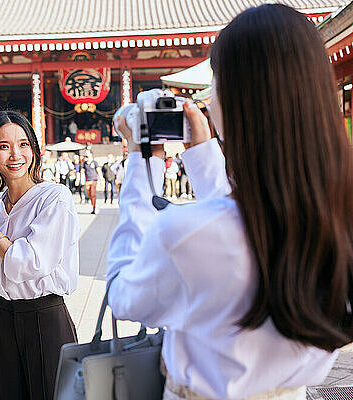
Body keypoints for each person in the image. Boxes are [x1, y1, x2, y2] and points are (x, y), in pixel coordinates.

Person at [107, 4, 353, 400]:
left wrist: (141, 163)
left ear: (236, 98)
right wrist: (203, 154)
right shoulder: (338, 218)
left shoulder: (187, 232)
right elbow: (251, 223)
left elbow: (123, 295)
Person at [0, 110, 79, 400]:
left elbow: (29, 262)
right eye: (4, 146)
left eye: (24, 144)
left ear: (35, 150)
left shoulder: (54, 197)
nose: (15, 155)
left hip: (45, 318)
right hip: (2, 319)